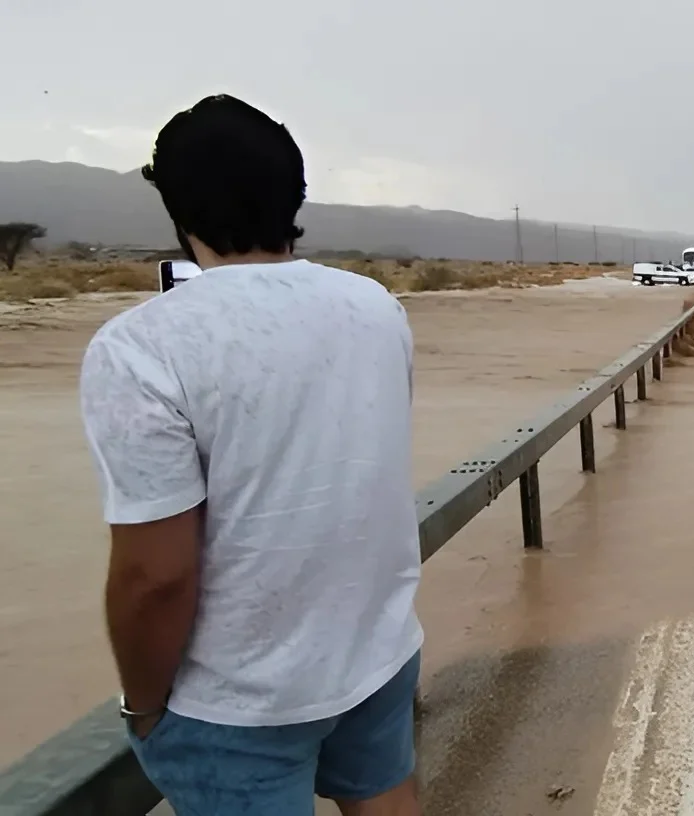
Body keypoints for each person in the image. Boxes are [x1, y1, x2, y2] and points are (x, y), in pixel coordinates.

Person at [78, 95, 423, 815]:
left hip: (235, 704)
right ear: (294, 195)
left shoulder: (140, 346)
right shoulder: (376, 309)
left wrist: (142, 706)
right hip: (378, 654)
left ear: (177, 209)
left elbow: (154, 577)